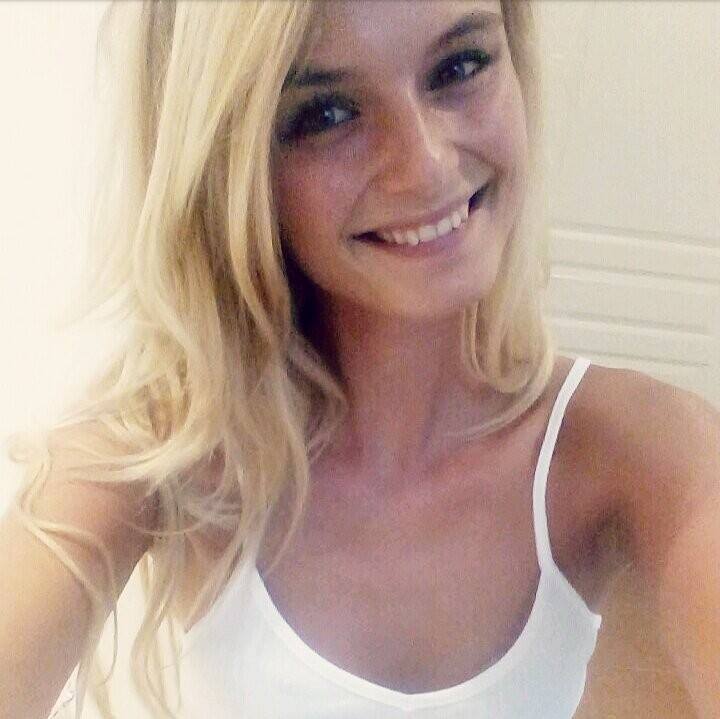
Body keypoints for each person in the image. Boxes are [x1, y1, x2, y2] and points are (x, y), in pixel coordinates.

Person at [1, 1, 718, 718]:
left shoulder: (644, 453)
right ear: (233, 164)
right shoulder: (162, 454)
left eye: (460, 66)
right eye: (327, 114)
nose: (427, 165)